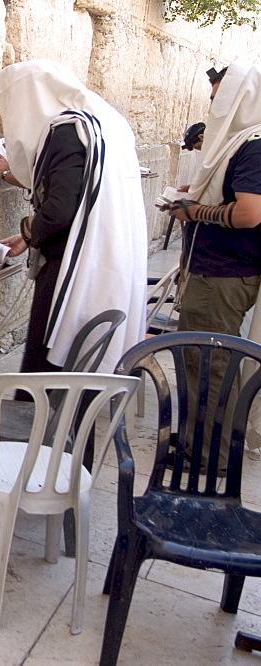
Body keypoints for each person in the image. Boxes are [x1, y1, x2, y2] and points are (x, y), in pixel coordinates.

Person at [0, 59, 147, 376]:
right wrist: (26, 236)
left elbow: (60, 211)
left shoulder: (65, 131)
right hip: (105, 258)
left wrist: (29, 228)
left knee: (48, 365)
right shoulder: (99, 125)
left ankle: (42, 424)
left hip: (71, 266)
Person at [166, 61, 261, 472]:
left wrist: (194, 211)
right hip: (215, 272)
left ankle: (211, 458)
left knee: (211, 364)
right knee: (197, 360)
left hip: (223, 275)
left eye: (219, 98)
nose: (213, 105)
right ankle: (196, 444)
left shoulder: (254, 145)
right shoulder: (240, 143)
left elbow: (248, 214)